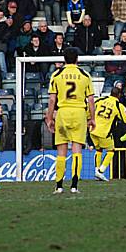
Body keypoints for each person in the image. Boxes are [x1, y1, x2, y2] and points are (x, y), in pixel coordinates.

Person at [45, 47, 96, 194]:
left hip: (62, 113)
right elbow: (91, 100)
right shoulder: (84, 74)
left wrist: (49, 118)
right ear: (77, 59)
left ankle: (59, 186)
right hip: (79, 113)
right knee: (77, 150)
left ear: (64, 59)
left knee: (61, 151)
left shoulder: (57, 74)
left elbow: (52, 99)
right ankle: (74, 186)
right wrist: (92, 118)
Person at [92, 86, 126, 182]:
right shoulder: (118, 105)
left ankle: (96, 169)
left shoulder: (100, 100)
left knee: (99, 150)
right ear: (119, 95)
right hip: (104, 132)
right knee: (111, 151)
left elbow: (90, 109)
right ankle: (101, 171)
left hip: (93, 130)